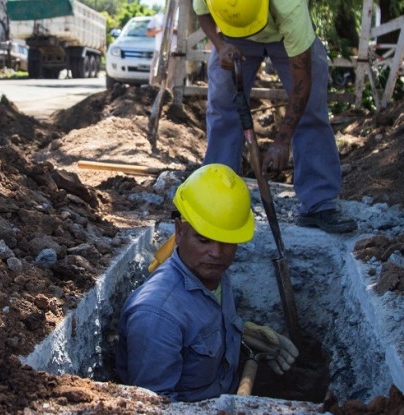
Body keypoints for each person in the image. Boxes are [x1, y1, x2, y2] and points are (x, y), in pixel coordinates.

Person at [116, 163, 298, 402]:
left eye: (228, 241)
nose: (217, 253)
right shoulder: (157, 316)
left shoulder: (211, 273)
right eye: (204, 241)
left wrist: (241, 333)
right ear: (179, 232)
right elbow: (155, 407)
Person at [193, 0, 357, 234]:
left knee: (311, 109)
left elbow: (303, 83)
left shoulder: (289, 6)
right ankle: (215, 198)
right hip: (233, 34)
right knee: (222, 107)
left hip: (282, 32)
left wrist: (282, 140)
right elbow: (202, 14)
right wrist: (220, 45)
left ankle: (318, 203)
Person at [145, 7, 177, 88]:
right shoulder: (157, 17)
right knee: (155, 72)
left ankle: (169, 93)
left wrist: (172, 30)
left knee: (171, 74)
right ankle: (153, 90)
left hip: (173, 51)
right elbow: (148, 33)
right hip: (159, 50)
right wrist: (162, 29)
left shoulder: (178, 17)